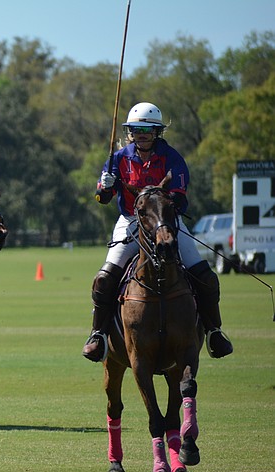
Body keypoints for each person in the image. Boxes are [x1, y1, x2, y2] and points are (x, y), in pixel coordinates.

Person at [82, 102, 232, 362]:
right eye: (137, 129)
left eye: (148, 129)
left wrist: (163, 212)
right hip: (130, 220)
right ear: (130, 132)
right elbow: (101, 198)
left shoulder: (172, 158)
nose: (142, 134)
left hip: (164, 222)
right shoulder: (118, 159)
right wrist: (105, 187)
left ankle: (214, 332)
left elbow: (181, 198)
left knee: (205, 276)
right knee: (104, 279)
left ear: (157, 132)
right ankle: (98, 334)